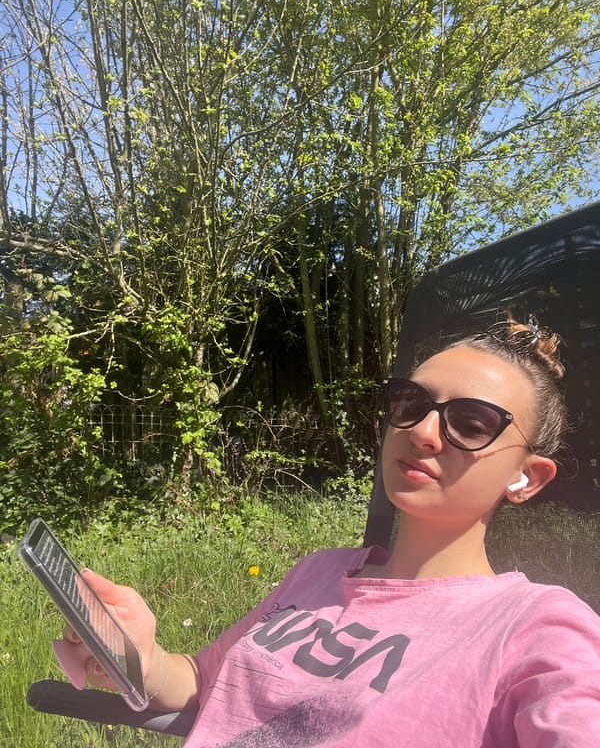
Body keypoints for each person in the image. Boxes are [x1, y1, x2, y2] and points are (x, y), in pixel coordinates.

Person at [60, 317, 600, 747]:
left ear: (526, 476)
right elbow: (203, 682)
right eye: (411, 403)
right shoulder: (321, 571)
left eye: (473, 422)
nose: (423, 432)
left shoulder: (539, 629)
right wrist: (140, 658)